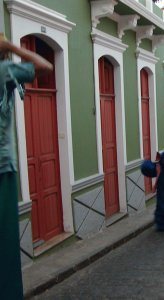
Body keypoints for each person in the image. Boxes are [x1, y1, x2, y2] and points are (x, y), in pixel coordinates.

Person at [0, 34, 53, 299]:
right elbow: (45, 67)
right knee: (6, 250)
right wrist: (11, 46)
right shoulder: (4, 71)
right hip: (2, 169)